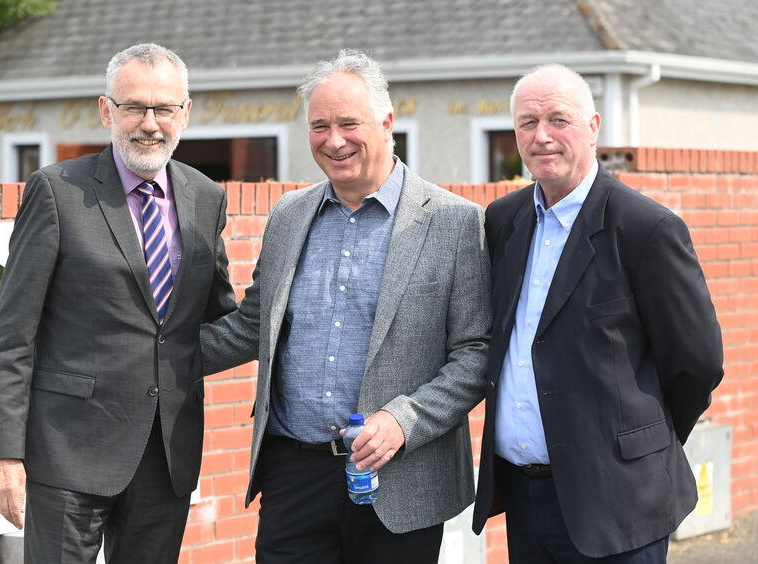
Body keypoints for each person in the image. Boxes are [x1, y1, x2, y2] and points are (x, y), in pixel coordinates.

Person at [201, 49, 490, 563]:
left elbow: (475, 353)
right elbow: (252, 327)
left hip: (402, 478)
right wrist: (145, 354)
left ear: (386, 122)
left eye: (348, 123)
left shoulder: (455, 222)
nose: (334, 140)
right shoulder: (290, 214)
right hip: (294, 475)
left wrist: (404, 420)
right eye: (319, 126)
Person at [0, 43, 236, 563]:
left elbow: (217, 318)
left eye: (164, 108)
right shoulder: (56, 191)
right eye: (134, 107)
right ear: (106, 111)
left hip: (166, 454)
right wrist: (3, 454)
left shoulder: (206, 197)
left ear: (185, 113)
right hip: (67, 453)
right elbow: (11, 334)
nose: (149, 123)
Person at [471, 63, 724, 562]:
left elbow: (697, 365)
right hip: (524, 497)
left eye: (558, 120)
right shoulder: (504, 220)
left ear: (593, 127)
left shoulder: (646, 229)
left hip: (618, 502)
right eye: (527, 122)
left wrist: (636, 444)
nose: (541, 136)